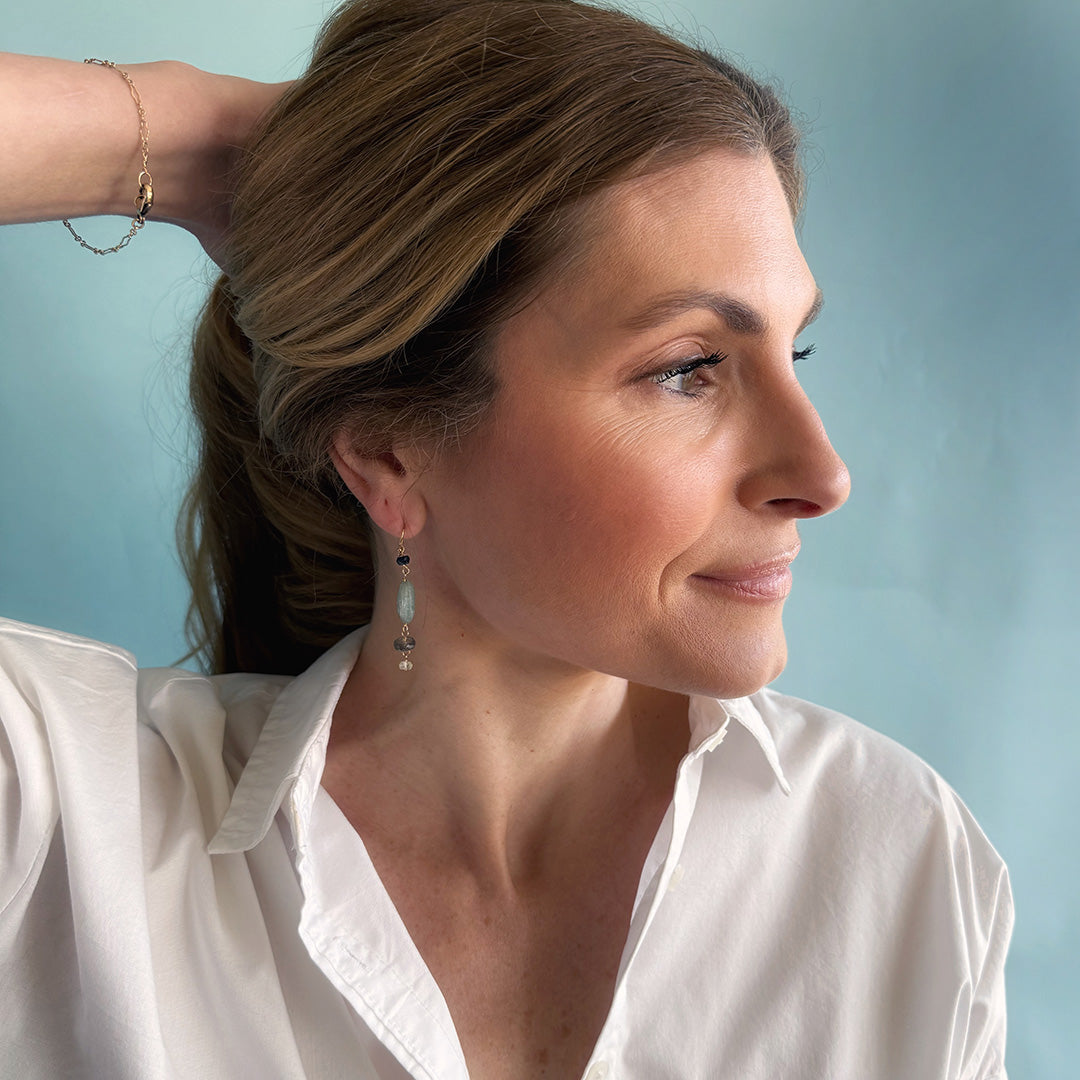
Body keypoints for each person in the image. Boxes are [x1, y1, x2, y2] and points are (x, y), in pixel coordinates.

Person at [0, 1, 1014, 1077]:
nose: (823, 476)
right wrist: (198, 137)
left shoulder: (899, 859)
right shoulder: (67, 828)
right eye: (689, 368)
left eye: (792, 356)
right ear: (389, 452)